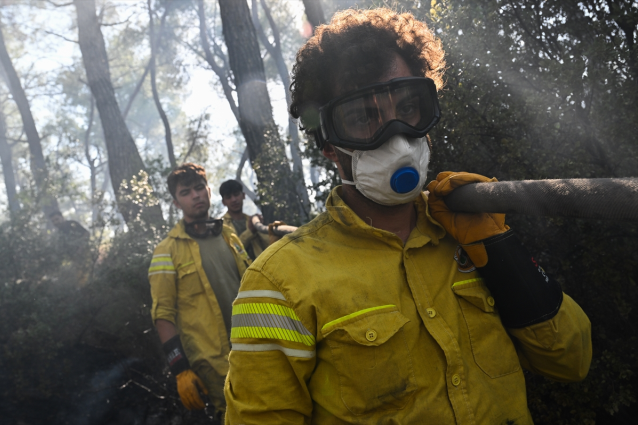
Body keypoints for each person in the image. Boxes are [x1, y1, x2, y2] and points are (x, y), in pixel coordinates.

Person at [224, 9, 592, 424]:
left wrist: (498, 247)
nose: (395, 134)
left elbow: (571, 361)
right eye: (364, 117)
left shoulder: (468, 232)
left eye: (408, 107)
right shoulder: (277, 284)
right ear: (328, 143)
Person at [148, 163, 250, 419]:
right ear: (176, 203)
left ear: (208, 190)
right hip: (215, 367)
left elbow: (253, 286)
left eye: (198, 188)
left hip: (258, 350)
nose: (195, 195)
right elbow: (163, 315)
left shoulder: (229, 236)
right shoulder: (167, 250)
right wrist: (180, 369)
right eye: (185, 192)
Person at [219, 179, 269, 260]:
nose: (234, 200)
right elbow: (232, 251)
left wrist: (262, 228)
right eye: (228, 197)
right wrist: (250, 232)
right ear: (223, 202)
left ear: (243, 195)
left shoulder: (253, 221)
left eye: (236, 194)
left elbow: (269, 244)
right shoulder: (221, 226)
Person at [49, 210, 90, 286]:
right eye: (53, 221)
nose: (56, 222)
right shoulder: (59, 233)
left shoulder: (72, 224)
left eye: (57, 219)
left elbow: (86, 234)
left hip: (85, 254)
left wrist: (81, 248)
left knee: (87, 273)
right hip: (73, 258)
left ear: (62, 217)